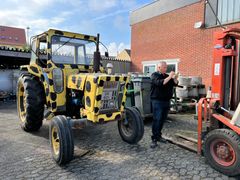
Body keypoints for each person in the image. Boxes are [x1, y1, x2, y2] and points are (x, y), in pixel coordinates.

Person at [150, 62, 178, 148]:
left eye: (166, 67)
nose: (166, 69)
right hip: (157, 101)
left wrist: (175, 78)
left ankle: (159, 136)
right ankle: (154, 139)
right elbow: (161, 83)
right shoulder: (154, 75)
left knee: (162, 119)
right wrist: (170, 76)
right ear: (159, 67)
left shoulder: (166, 76)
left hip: (166, 101)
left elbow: (175, 84)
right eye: (164, 67)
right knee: (157, 119)